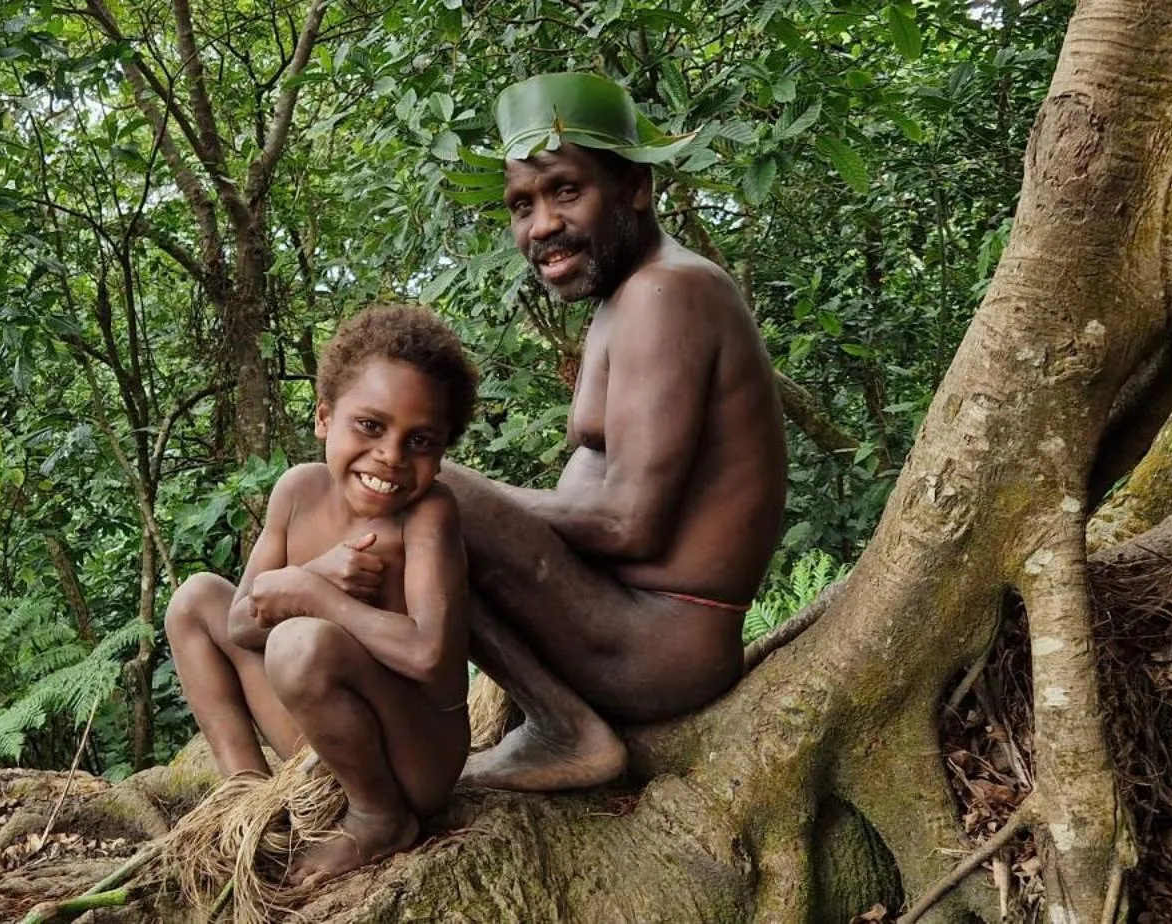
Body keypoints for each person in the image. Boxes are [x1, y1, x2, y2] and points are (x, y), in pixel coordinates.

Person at [445, 72, 789, 791]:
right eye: (522, 205)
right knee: (400, 486)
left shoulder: (668, 291)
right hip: (618, 626)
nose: (541, 225)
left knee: (419, 485)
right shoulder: (626, 297)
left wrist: (466, 495)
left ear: (636, 187)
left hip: (656, 645)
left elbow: (628, 524)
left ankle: (563, 730)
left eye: (566, 191)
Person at [164, 305, 479, 886]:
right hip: (322, 742)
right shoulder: (297, 491)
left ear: (441, 454)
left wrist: (314, 593)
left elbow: (428, 655)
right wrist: (314, 575)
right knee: (195, 599)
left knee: (299, 643)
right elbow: (239, 625)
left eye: (420, 441)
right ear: (324, 417)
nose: (391, 455)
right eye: (370, 426)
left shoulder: (428, 516)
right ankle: (248, 797)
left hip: (414, 759)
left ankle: (380, 818)